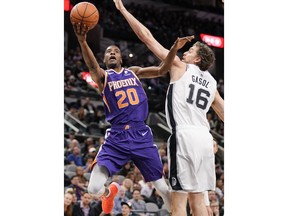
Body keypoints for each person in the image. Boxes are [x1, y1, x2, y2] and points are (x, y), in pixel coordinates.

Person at [113, 1, 224, 215]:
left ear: (198, 59)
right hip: (204, 138)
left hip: (184, 137)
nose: (185, 53)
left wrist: (123, 10)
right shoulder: (211, 82)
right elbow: (225, 114)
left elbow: (147, 38)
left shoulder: (179, 66)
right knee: (199, 201)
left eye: (190, 51)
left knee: (178, 203)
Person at [71, 22, 172, 215]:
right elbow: (92, 65)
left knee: (164, 189)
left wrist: (173, 50)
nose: (111, 53)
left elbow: (161, 70)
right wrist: (83, 40)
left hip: (140, 134)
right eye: (108, 51)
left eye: (115, 51)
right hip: (116, 136)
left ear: (121, 57)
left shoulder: (133, 72)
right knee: (93, 190)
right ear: (104, 58)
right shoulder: (103, 77)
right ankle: (108, 193)